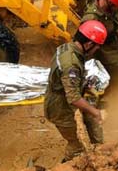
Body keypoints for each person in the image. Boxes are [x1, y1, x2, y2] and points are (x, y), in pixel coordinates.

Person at [44, 20, 108, 161]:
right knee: (77, 145)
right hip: (59, 107)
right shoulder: (71, 64)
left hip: (60, 98)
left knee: (89, 125)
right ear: (89, 44)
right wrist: (96, 112)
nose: (96, 51)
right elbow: (73, 97)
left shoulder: (67, 48)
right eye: (96, 47)